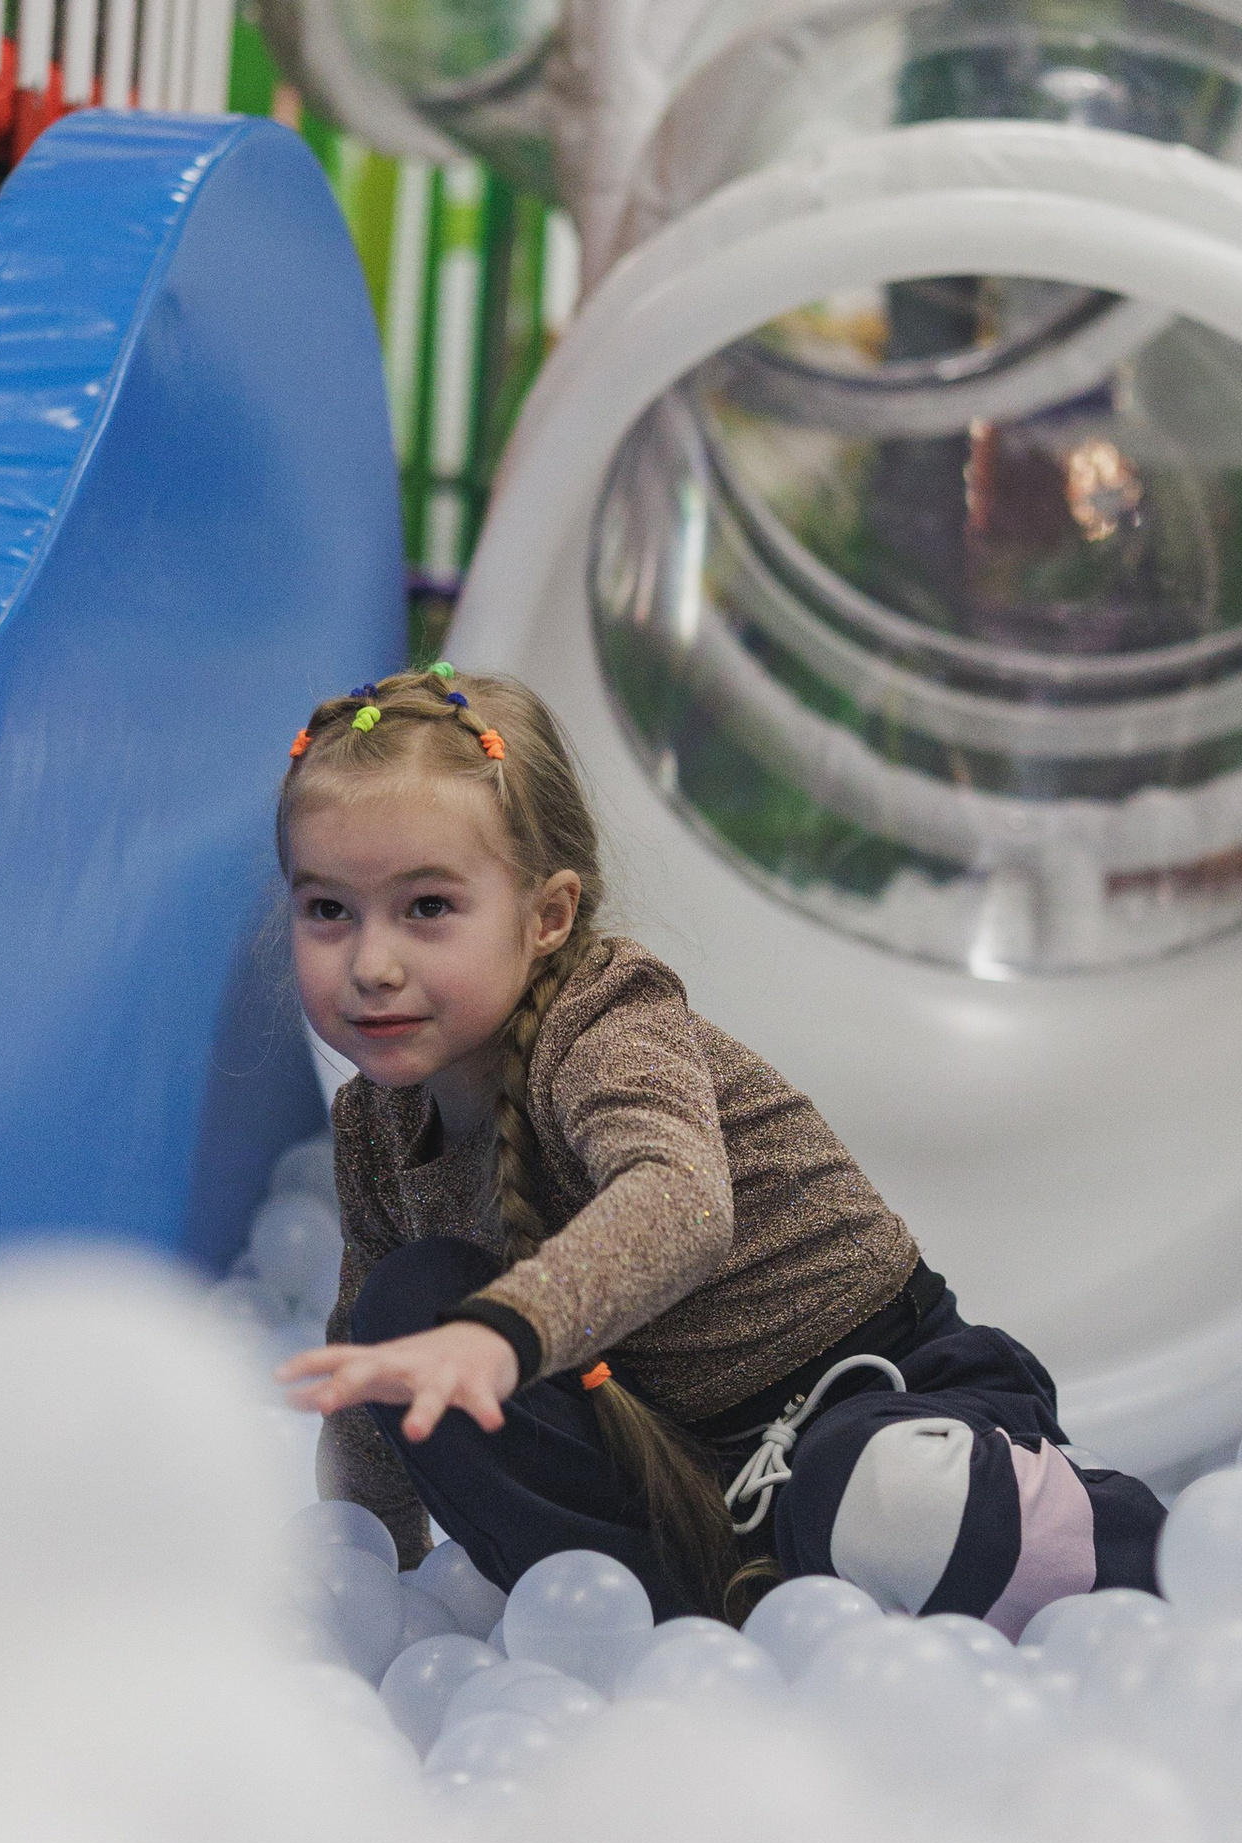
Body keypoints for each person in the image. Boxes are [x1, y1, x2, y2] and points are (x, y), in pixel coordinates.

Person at [273, 665, 1162, 1624]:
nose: (373, 964)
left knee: (880, 1499)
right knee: (403, 1306)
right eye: (329, 910)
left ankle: (1124, 1552)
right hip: (687, 1480)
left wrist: (501, 1334)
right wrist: (372, 1577)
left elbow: (681, 1203)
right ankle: (701, 1616)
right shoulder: (378, 1122)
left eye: (428, 908)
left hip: (871, 1393)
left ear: (548, 918)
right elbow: (376, 1390)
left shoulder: (606, 1019)